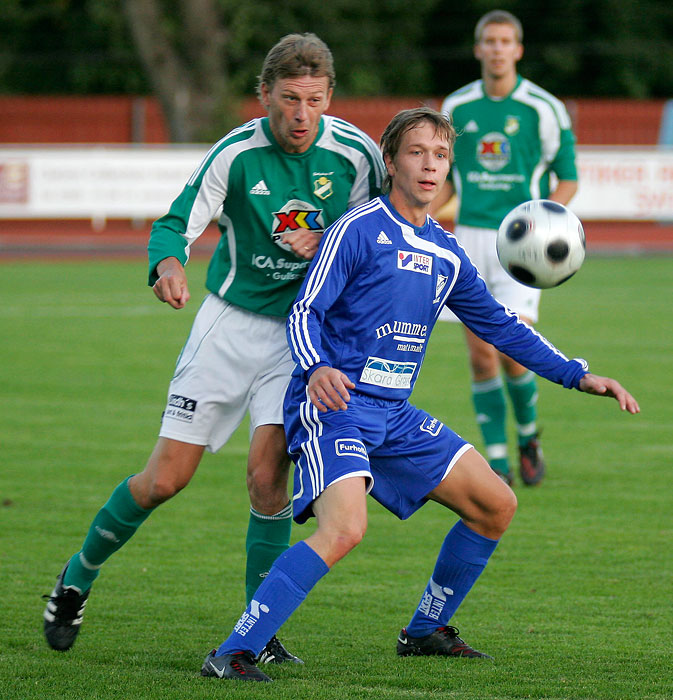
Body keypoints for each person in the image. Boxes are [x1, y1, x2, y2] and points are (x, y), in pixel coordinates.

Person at [199, 108, 639, 682]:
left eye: (440, 155)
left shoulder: (446, 250)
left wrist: (576, 374)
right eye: (416, 152)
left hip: (393, 414)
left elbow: (501, 325)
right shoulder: (357, 228)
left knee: (495, 505)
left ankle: (426, 629)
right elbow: (306, 309)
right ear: (390, 160)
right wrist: (315, 369)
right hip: (335, 406)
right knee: (344, 530)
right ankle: (233, 652)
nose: (429, 165)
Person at [42, 33, 384, 662]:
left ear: (330, 97)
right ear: (264, 96)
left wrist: (340, 251)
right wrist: (168, 265)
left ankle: (261, 628)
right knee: (164, 481)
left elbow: (381, 231)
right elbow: (174, 223)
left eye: (313, 100)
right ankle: (75, 577)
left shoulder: (358, 156)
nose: (301, 115)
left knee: (267, 474)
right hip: (228, 327)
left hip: (301, 338)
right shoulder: (235, 154)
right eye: (288, 99)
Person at [431, 10, 579, 486]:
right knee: (479, 355)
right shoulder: (457, 106)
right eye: (489, 42)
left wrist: (545, 224)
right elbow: (447, 176)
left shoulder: (543, 108)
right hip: (469, 239)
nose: (496, 49)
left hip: (522, 246)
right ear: (478, 50)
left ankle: (529, 436)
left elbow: (568, 177)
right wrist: (423, 216)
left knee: (515, 352)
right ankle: (497, 459)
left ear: (517, 50)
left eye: (505, 42)